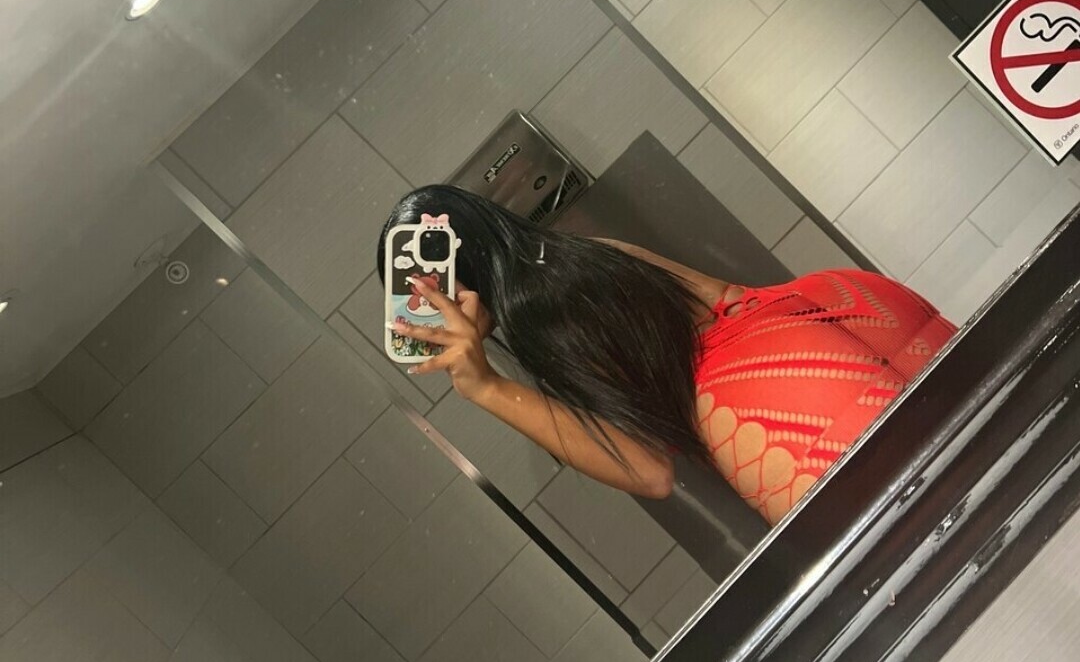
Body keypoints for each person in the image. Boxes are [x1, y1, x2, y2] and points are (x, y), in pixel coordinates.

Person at [377, 185, 956, 526]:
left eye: (421, 293)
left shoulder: (536, 317)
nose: (424, 311)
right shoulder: (580, 253)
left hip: (765, 386)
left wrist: (485, 387)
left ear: (451, 275)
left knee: (920, 531)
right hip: (825, 304)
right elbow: (719, 300)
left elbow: (647, 471)